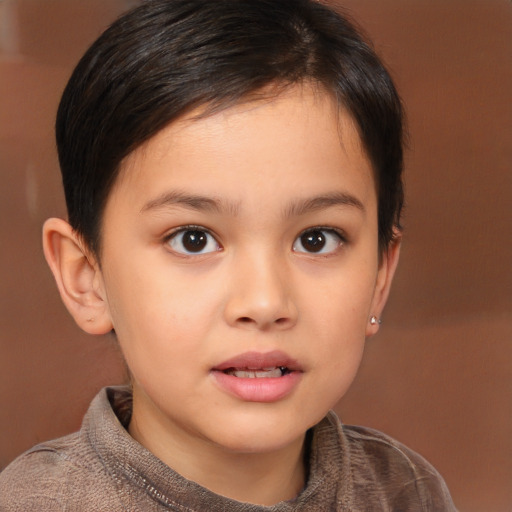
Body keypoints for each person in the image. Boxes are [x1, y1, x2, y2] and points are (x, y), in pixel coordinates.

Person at [0, 0, 457, 510]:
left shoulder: (406, 490)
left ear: (378, 275)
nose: (263, 302)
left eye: (316, 239)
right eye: (192, 239)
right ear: (86, 278)